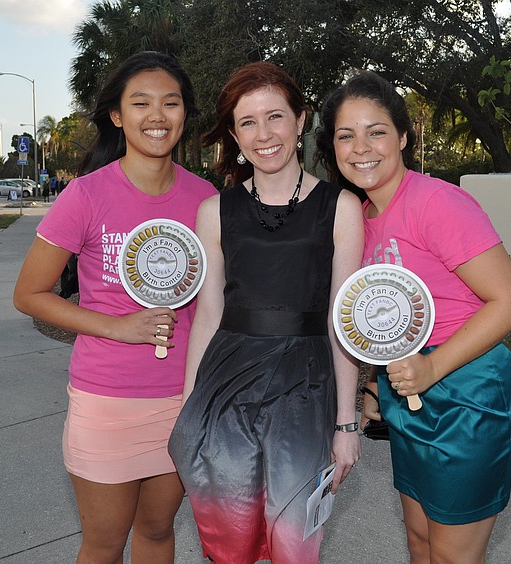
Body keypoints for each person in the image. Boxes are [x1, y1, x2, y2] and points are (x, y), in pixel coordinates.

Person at [316, 71, 511, 564]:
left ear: (404, 138)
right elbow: (383, 322)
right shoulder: (362, 219)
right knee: (419, 541)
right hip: (407, 394)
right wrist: (374, 387)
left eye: (377, 131)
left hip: (471, 397)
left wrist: (432, 368)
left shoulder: (437, 202)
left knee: (454, 555)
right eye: (346, 135)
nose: (361, 147)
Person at [13, 51, 217, 563]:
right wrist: (116, 327)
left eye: (171, 103)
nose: (157, 115)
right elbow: (30, 294)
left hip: (183, 399)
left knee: (156, 533)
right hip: (106, 402)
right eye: (141, 102)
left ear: (184, 115)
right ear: (117, 115)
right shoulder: (85, 195)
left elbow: (220, 296)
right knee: (103, 545)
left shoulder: (207, 198)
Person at [167, 62, 364, 564]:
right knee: (228, 540)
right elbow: (208, 317)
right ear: (233, 135)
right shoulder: (215, 211)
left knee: (295, 544)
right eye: (247, 122)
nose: (264, 134)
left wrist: (346, 424)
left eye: (275, 117)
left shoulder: (340, 207)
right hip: (225, 389)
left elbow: (342, 324)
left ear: (301, 120)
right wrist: (189, 410)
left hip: (307, 390)